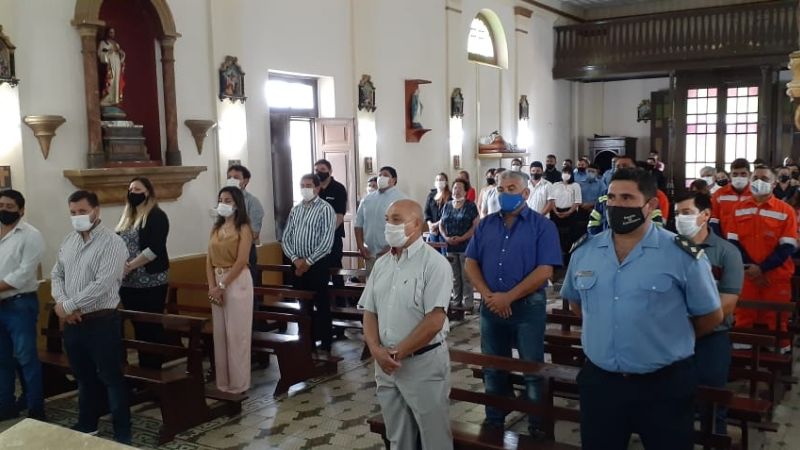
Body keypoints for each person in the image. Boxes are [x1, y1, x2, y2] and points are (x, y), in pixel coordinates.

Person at [560, 169, 722, 450]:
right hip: (601, 383)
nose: (617, 205)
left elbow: (710, 316)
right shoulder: (585, 251)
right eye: (611, 197)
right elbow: (577, 303)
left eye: (627, 197)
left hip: (663, 384)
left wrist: (663, 340)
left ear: (651, 205)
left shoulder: (681, 254)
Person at [464, 170, 562, 436]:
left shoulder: (543, 226)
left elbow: (545, 271)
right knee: (493, 367)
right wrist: (488, 295)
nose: (505, 193)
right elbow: (471, 262)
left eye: (511, 188)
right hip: (491, 305)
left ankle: (537, 424)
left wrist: (509, 296)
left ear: (525, 193)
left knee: (531, 368)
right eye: (501, 188)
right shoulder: (485, 225)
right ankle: (495, 418)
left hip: (528, 306)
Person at [359, 199, 453, 450]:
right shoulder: (382, 264)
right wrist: (376, 350)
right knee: (398, 437)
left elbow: (434, 320)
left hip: (422, 363)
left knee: (435, 439)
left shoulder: (435, 264)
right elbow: (369, 311)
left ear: (417, 224)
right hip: (386, 364)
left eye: (397, 220)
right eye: (388, 220)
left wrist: (395, 354)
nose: (389, 225)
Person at [51, 190, 131, 443]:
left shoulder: (112, 242)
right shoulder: (68, 241)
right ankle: (88, 424)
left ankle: (122, 432)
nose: (77, 217)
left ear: (96, 211)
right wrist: (63, 304)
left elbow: (103, 283)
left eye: (82, 211)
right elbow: (57, 274)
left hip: (102, 320)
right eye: (73, 213)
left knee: (111, 377)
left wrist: (69, 305)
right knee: (83, 377)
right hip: (75, 323)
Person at [674, 191, 744, 435]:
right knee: (673, 402)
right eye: (677, 214)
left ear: (705, 216)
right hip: (670, 338)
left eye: (686, 213)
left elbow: (727, 304)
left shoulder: (726, 252)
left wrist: (691, 333)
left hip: (711, 339)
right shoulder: (668, 248)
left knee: (712, 406)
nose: (680, 219)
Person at [727, 166, 797, 351]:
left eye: (765, 178)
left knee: (776, 320)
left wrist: (762, 269)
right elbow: (733, 242)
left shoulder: (786, 210)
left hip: (775, 277)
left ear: (774, 183)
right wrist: (751, 269)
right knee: (743, 317)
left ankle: (777, 358)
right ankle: (742, 358)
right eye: (756, 177)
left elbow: (787, 246)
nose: (760, 181)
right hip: (746, 275)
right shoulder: (738, 209)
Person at [115, 177, 169, 370]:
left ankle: (154, 369)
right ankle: (145, 371)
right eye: (130, 189)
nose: (133, 192)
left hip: (151, 282)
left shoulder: (156, 215)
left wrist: (129, 266)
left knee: (150, 327)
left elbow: (154, 248)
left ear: (147, 192)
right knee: (138, 328)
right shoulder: (127, 217)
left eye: (137, 189)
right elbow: (118, 244)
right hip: (129, 284)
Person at [0, 190, 45, 421]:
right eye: (1, 205)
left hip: (20, 305)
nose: (4, 210)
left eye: (9, 206)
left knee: (26, 358)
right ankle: (5, 407)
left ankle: (36, 409)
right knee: (2, 360)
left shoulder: (30, 235)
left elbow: (25, 271)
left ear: (21, 210)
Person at [206, 187, 254, 394]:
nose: (223, 203)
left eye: (228, 200)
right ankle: (223, 382)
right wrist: (212, 287)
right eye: (221, 200)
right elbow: (208, 258)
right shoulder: (215, 228)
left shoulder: (243, 227)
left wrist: (223, 285)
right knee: (221, 334)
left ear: (237, 203)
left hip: (236, 280)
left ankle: (239, 382)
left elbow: (242, 259)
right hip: (217, 282)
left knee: (237, 334)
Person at [281, 174, 336, 352]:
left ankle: (326, 342)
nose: (305, 188)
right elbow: (286, 238)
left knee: (321, 304)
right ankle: (307, 340)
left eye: (309, 185)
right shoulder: (295, 209)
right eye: (302, 185)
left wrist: (308, 262)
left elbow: (327, 241)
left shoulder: (325, 209)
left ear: (317, 188)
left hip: (317, 264)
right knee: (303, 305)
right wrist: (296, 260)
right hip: (297, 264)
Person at [355, 166, 407, 273]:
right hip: (369, 253)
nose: (381, 177)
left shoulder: (401, 199)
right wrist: (360, 246)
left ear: (394, 180)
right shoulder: (367, 199)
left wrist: (391, 247)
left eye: (386, 175)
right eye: (380, 175)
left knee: (389, 286)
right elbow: (358, 224)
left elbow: (406, 227)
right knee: (371, 285)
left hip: (392, 252)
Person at [440, 178, 480, 311]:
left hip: (466, 245)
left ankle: (468, 303)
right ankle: (456, 300)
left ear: (465, 190)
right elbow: (441, 223)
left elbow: (475, 226)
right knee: (454, 277)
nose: (456, 190)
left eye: (460, 188)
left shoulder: (470, 206)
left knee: (466, 275)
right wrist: (446, 237)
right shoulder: (447, 205)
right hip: (450, 245)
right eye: (455, 187)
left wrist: (462, 237)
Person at [226, 165, 264, 286]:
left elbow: (253, 233)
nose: (232, 180)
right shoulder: (223, 201)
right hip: (225, 250)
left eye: (236, 177)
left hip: (245, 251)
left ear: (245, 181)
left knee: (247, 290)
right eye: (229, 177)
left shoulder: (253, 202)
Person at [314, 159, 348, 288]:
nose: (319, 172)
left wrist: (327, 233)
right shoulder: (314, 189)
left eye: (322, 169)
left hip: (333, 236)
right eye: (316, 170)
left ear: (330, 171)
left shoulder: (338, 188)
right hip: (315, 237)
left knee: (335, 267)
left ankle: (340, 301)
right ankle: (322, 299)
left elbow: (339, 215)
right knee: (318, 269)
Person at [711, 158, 752, 236]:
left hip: (750, 240)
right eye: (735, 174)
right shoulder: (719, 194)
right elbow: (714, 220)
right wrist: (720, 240)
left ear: (749, 174)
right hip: (726, 240)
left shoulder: (757, 194)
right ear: (730, 175)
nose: (739, 177)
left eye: (743, 174)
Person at [549, 166, 582, 262]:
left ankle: (569, 259)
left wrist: (568, 212)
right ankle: (557, 258)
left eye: (568, 172)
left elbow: (577, 201)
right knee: (557, 236)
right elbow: (552, 200)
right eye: (564, 172)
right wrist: (555, 211)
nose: (565, 174)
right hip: (557, 212)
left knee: (570, 236)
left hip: (571, 213)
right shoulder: (555, 185)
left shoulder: (575, 185)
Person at [97, 27, 126, 106]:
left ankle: (115, 99)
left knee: (117, 80)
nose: (112, 34)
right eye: (110, 32)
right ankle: (107, 99)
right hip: (109, 64)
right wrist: (110, 51)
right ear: (107, 33)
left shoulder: (116, 44)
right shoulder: (104, 43)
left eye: (113, 32)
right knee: (111, 80)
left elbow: (121, 55)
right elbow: (100, 53)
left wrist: (121, 53)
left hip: (117, 63)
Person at [424, 173, 451, 250]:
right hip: (432, 229)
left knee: (444, 254)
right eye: (437, 180)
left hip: (444, 229)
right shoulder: (431, 195)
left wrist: (437, 225)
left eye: (441, 179)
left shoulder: (450, 195)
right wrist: (430, 224)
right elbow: (426, 211)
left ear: (446, 182)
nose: (439, 181)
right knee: (434, 253)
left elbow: (448, 214)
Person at [576, 163, 605, 232]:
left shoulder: (601, 184)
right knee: (579, 231)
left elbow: (603, 198)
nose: (590, 173)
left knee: (593, 230)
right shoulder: (579, 183)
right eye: (589, 171)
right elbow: (576, 196)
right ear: (586, 171)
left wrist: (590, 205)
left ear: (597, 173)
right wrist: (582, 204)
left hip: (595, 210)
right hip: (580, 210)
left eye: (593, 171)